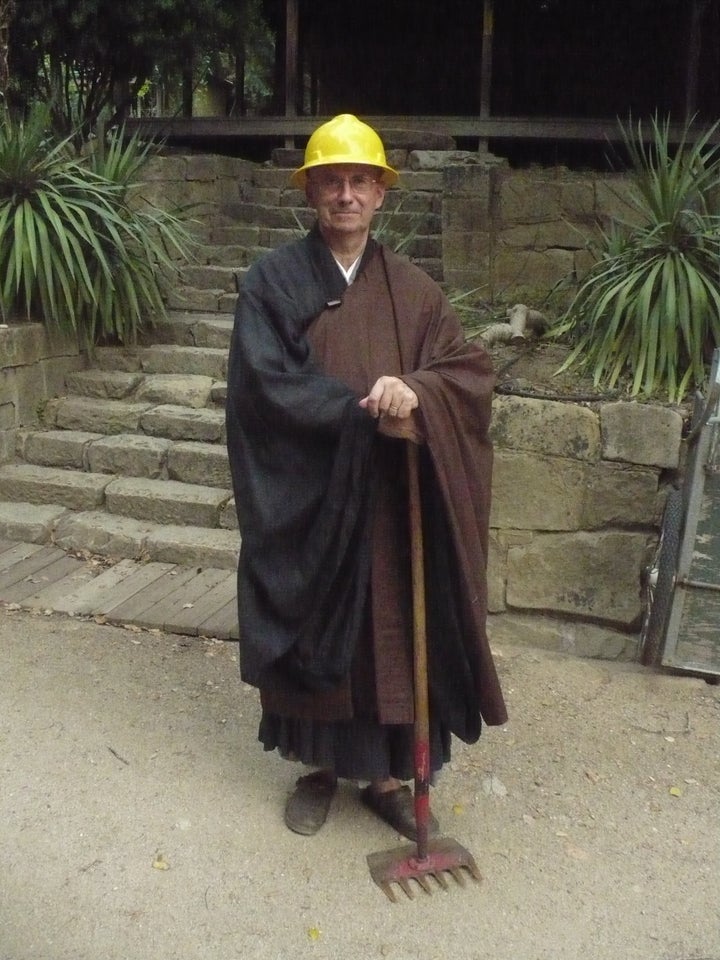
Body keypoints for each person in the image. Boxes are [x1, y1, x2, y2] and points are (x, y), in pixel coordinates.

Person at [225, 114, 507, 840]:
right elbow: (262, 387)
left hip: (392, 503)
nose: (345, 194)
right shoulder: (272, 284)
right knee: (323, 633)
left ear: (382, 194)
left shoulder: (415, 292)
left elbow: (466, 371)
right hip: (313, 501)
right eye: (331, 181)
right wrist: (359, 413)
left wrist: (420, 393)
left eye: (360, 181)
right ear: (310, 191)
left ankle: (388, 779)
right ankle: (318, 768)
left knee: (393, 634)